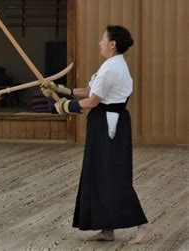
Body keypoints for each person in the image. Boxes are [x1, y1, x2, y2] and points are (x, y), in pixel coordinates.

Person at [42, 25, 153, 245]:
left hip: (109, 125)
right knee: (98, 174)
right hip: (104, 123)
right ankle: (107, 229)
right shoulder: (111, 65)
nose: (99, 43)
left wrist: (67, 107)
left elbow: (92, 101)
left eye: (103, 39)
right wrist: (60, 89)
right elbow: (90, 91)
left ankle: (143, 224)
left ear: (113, 44)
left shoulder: (112, 68)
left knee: (112, 175)